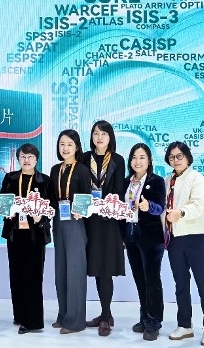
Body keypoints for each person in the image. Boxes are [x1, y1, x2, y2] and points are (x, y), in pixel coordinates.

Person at [163, 141, 204, 346]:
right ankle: (185, 325)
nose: (175, 160)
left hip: (196, 237)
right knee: (181, 284)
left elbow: (198, 205)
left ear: (187, 158)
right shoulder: (167, 180)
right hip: (174, 238)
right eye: (172, 157)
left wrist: (181, 213)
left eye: (179, 156)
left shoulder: (197, 178)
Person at [0, 143, 51, 335]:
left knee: (33, 277)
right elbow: (2, 201)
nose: (26, 160)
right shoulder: (10, 178)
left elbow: (51, 206)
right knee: (16, 274)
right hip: (15, 233)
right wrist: (7, 212)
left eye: (30, 157)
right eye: (23, 156)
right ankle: (20, 314)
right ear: (18, 159)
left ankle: (33, 321)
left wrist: (41, 217)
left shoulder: (44, 180)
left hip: (35, 234)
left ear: (36, 160)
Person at [81, 120, 126, 336]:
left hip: (109, 222)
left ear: (110, 137)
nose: (99, 137)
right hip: (89, 221)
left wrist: (103, 204)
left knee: (106, 269)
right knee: (97, 269)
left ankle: (106, 316)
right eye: (96, 133)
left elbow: (119, 191)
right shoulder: (84, 158)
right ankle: (104, 314)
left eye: (104, 134)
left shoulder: (117, 160)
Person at [49, 129, 92, 334]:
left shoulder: (82, 169)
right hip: (58, 219)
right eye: (62, 144)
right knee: (61, 270)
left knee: (75, 271)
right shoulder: (55, 169)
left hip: (76, 221)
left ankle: (75, 321)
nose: (65, 148)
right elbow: (51, 197)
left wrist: (81, 211)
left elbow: (87, 196)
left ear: (77, 147)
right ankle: (63, 315)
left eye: (69, 144)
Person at [123, 143, 166, 341]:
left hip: (151, 237)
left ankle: (154, 323)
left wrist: (149, 206)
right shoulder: (126, 182)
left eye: (142, 157)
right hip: (131, 235)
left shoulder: (156, 181)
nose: (137, 161)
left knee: (152, 281)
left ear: (149, 161)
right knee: (140, 280)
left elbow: (160, 207)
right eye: (134, 157)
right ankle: (144, 317)